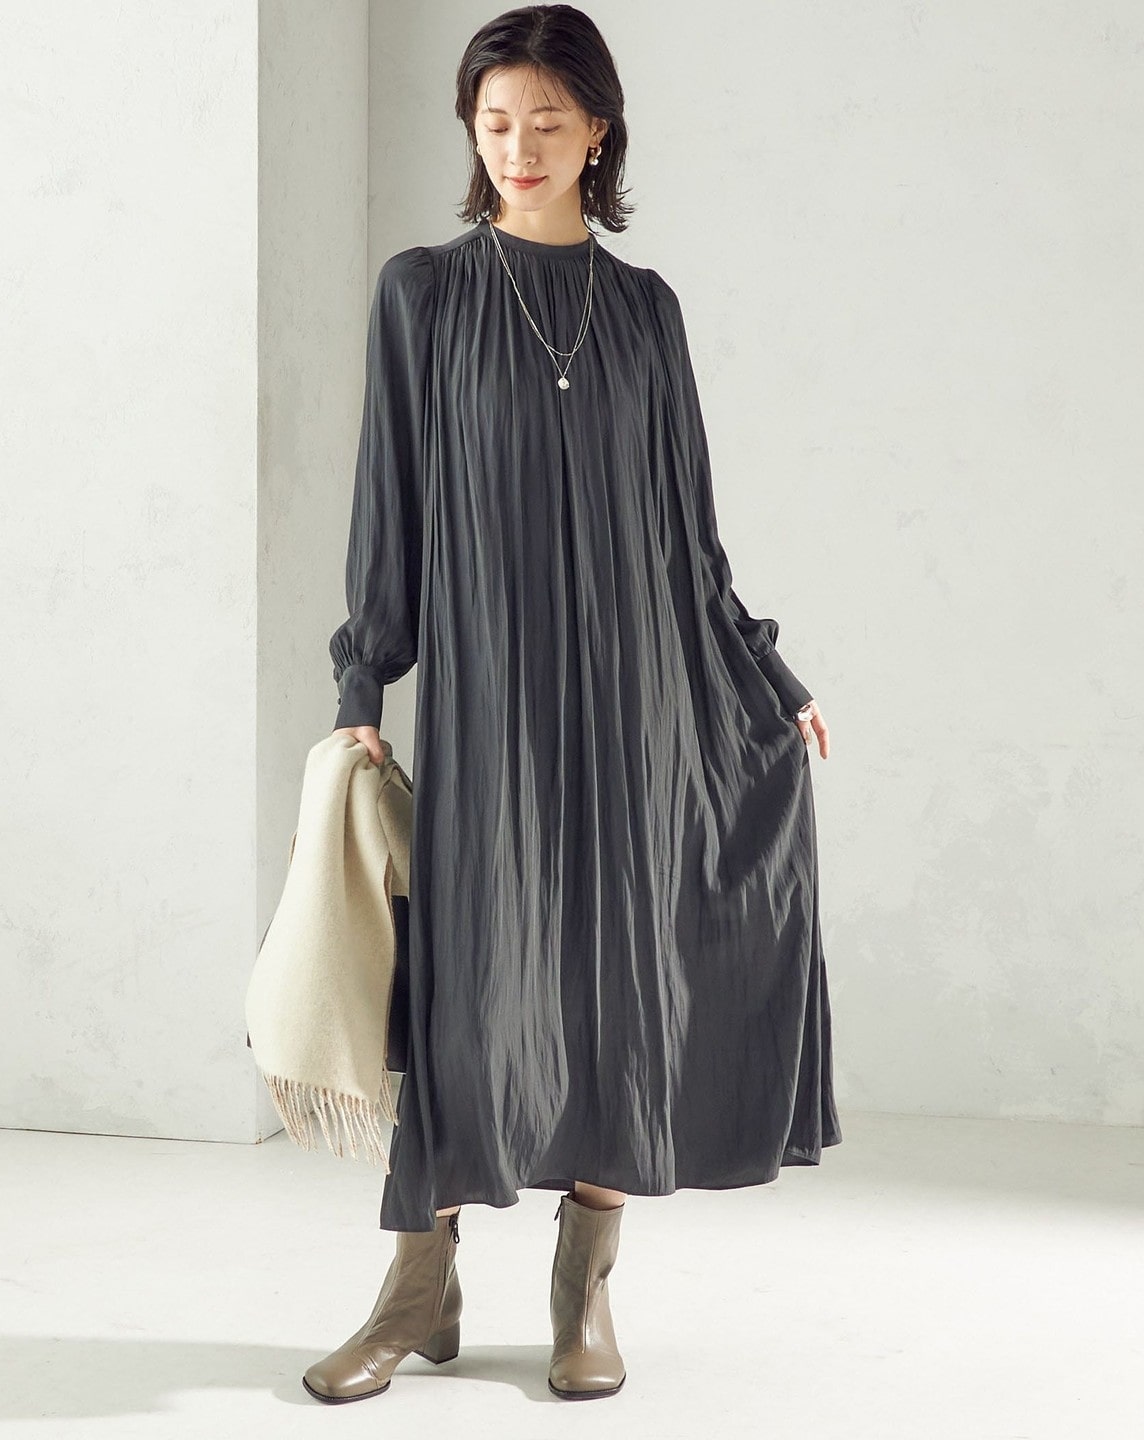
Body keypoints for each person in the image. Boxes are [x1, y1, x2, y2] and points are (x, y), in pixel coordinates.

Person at [301, 2, 842, 1406]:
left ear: (598, 130)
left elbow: (689, 538)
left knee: (618, 982)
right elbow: (389, 508)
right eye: (495, 122)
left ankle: (584, 1283)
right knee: (468, 993)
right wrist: (365, 678)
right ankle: (418, 1288)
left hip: (640, 698)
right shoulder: (423, 294)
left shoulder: (646, 311)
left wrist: (767, 677)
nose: (519, 146)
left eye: (547, 119)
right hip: (491, 700)